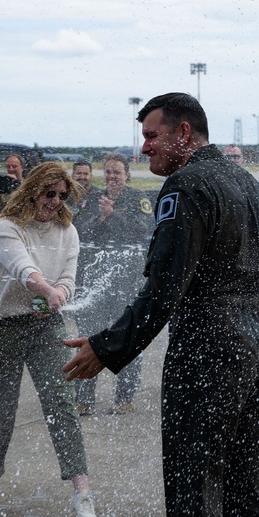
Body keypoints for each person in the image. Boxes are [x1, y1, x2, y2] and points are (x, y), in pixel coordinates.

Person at [63, 93, 259, 517]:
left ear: (183, 134)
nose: (143, 147)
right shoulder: (251, 185)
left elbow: (163, 288)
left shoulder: (185, 187)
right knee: (246, 492)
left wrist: (108, 347)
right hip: (258, 349)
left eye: (151, 135)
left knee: (195, 500)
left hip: (209, 355)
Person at [0, 161, 97, 517]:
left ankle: (82, 492)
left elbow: (69, 280)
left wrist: (60, 291)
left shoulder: (67, 231)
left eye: (62, 195)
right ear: (32, 191)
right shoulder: (7, 227)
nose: (55, 201)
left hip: (46, 327)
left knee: (61, 404)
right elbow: (23, 269)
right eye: (49, 193)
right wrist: (45, 288)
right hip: (2, 327)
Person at [72, 152, 153, 416]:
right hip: (95, 285)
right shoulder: (91, 199)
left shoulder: (137, 199)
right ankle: (84, 399)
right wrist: (101, 217)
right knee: (90, 338)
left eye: (117, 172)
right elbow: (78, 231)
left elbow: (144, 229)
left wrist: (113, 216)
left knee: (126, 340)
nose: (112, 177)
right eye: (108, 172)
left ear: (127, 174)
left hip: (126, 285)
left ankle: (123, 398)